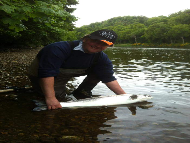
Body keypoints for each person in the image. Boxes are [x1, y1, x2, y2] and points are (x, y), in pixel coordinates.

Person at [27, 29, 126, 110]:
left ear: (108, 47)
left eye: (104, 44)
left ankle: (82, 92)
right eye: (96, 41)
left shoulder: (102, 58)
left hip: (66, 71)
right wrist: (50, 98)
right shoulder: (58, 48)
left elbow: (109, 78)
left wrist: (125, 97)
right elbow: (46, 72)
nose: (98, 45)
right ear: (85, 39)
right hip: (42, 72)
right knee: (55, 98)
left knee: (101, 71)